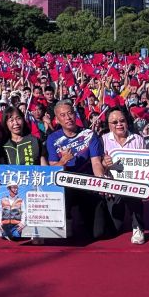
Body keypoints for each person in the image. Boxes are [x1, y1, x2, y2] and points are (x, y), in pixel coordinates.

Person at [47, 100, 107, 240]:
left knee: (98, 233)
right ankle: (67, 218)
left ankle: (83, 215)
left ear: (75, 115)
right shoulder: (53, 139)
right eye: (63, 115)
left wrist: (101, 183)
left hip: (87, 184)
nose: (68, 117)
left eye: (70, 113)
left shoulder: (89, 134)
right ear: (57, 119)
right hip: (66, 186)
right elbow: (52, 170)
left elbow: (96, 163)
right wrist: (63, 161)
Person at [100, 107, 147, 244]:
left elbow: (146, 163)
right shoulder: (102, 140)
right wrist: (104, 163)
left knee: (134, 195)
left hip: (133, 185)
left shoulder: (138, 139)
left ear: (127, 122)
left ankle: (138, 226)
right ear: (108, 125)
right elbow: (97, 165)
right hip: (113, 187)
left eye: (122, 121)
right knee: (115, 228)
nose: (119, 124)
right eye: (114, 122)